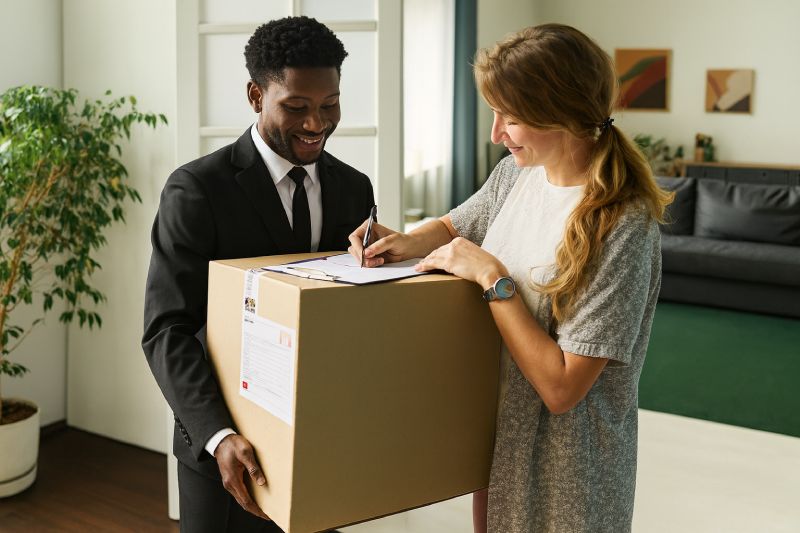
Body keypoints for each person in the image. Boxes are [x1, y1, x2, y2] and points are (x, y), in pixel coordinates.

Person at [349, 24, 672, 533]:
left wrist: (494, 279)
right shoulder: (517, 174)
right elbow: (457, 225)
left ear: (562, 114)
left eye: (511, 118)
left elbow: (562, 388)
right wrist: (404, 242)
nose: (495, 133)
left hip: (565, 470)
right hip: (500, 435)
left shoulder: (622, 225)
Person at [143, 16, 374, 533]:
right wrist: (218, 435)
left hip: (321, 441)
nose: (316, 123)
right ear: (255, 95)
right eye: (296, 106)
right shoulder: (196, 189)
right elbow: (167, 329)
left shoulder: (354, 188)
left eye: (330, 104)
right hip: (225, 447)